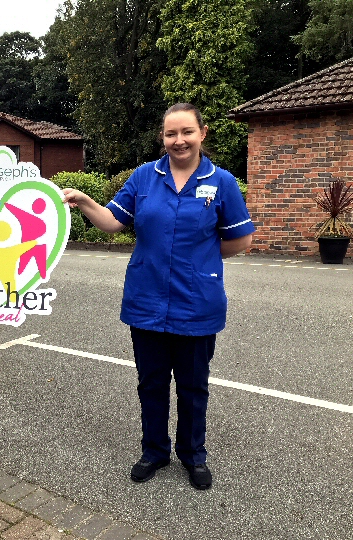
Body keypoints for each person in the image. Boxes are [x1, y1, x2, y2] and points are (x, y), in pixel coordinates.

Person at [62, 103, 254, 491]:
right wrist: (83, 200)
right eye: (170, 134)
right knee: (150, 383)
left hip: (197, 304)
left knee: (193, 386)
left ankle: (193, 455)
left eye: (186, 132)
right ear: (162, 138)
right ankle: (154, 451)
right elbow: (114, 223)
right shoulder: (143, 178)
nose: (178, 140)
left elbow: (240, 240)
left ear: (202, 133)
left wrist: (200, 262)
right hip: (146, 301)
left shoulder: (223, 182)